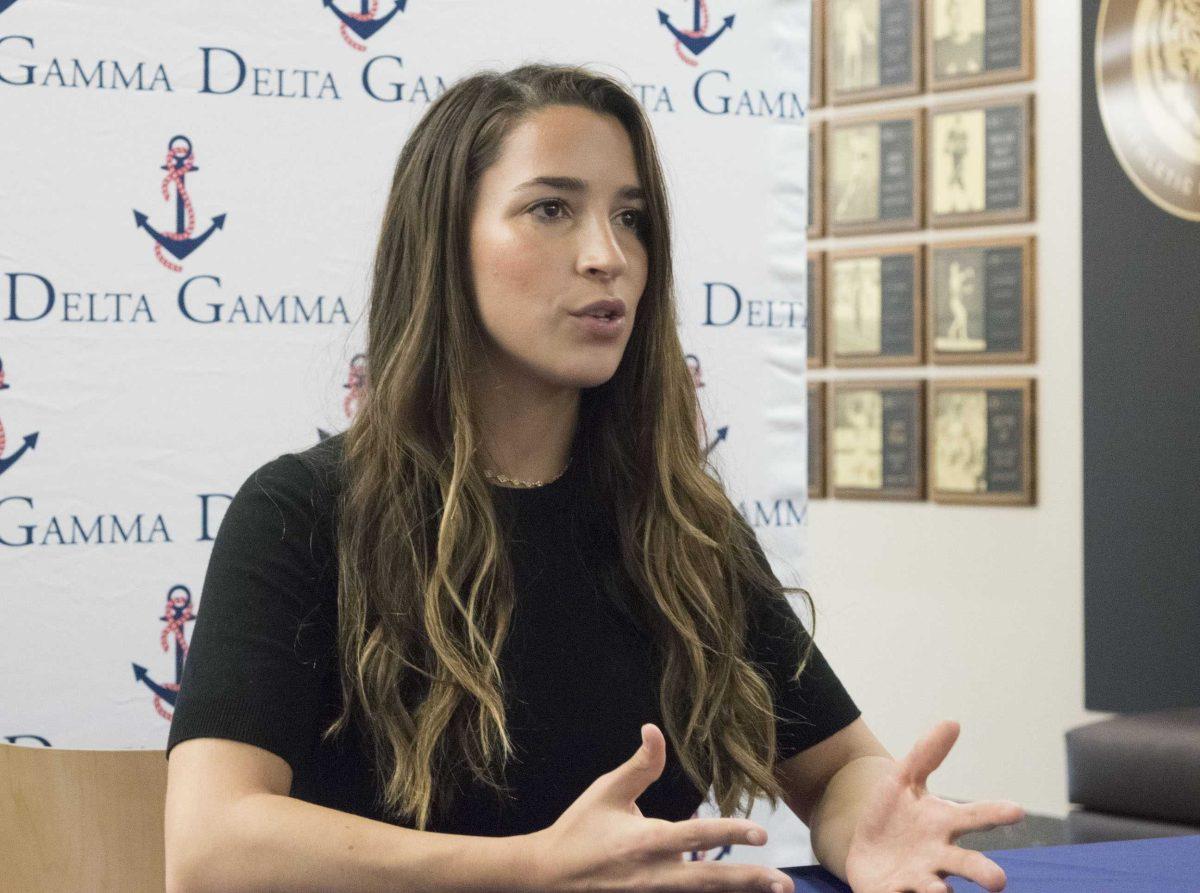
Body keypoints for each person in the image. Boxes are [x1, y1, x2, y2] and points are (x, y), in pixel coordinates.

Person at [163, 62, 1023, 893]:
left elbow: (838, 768)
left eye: (632, 218)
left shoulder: (682, 525)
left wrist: (869, 819)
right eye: (550, 209)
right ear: (443, 243)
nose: (607, 255)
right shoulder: (305, 511)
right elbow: (210, 846)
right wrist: (534, 868)